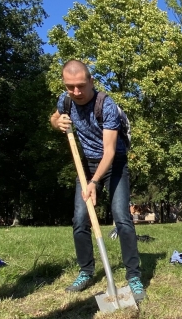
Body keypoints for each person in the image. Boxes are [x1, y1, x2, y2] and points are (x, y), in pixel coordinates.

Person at [50, 60, 145, 300]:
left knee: (122, 217)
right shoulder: (66, 100)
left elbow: (110, 152)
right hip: (87, 166)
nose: (76, 92)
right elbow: (55, 117)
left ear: (91, 81)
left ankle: (134, 276)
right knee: (80, 219)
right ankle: (86, 271)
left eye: (81, 85)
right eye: (70, 86)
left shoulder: (107, 106)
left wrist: (93, 183)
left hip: (114, 164)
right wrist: (56, 122)